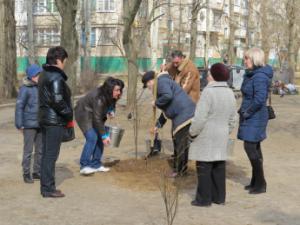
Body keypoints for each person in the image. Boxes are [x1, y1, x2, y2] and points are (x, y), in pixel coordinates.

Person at [188, 63, 236, 207]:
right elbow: (233, 118)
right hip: (222, 134)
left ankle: (204, 199)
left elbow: (200, 118)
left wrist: (192, 133)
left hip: (206, 135)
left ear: (214, 76)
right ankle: (219, 198)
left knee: (204, 166)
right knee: (219, 166)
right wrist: (226, 130)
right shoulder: (230, 92)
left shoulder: (208, 93)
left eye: (209, 74)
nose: (207, 76)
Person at [142, 71, 195, 177]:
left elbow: (168, 96)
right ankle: (180, 169)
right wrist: (158, 125)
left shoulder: (161, 82)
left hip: (184, 115)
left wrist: (156, 102)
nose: (148, 87)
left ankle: (180, 172)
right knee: (179, 142)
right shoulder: (164, 82)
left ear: (151, 81)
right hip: (184, 114)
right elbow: (166, 111)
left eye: (147, 84)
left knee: (180, 144)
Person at [38, 46, 73, 198]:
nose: (64, 64)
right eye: (64, 61)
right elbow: (58, 100)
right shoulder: (56, 76)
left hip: (45, 119)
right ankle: (48, 189)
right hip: (54, 121)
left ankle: (47, 187)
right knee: (51, 156)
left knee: (47, 154)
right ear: (58, 60)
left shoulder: (44, 74)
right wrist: (69, 113)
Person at [238, 47, 273, 194]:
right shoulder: (251, 74)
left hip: (255, 116)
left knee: (250, 147)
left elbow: (259, 99)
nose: (244, 61)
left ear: (255, 59)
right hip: (252, 115)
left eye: (247, 58)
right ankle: (256, 181)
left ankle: (260, 183)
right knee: (255, 148)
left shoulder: (259, 76)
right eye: (244, 58)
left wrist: (247, 112)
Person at [75, 77, 124, 175]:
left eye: (120, 90)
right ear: (110, 90)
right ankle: (84, 166)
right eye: (117, 90)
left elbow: (112, 103)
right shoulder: (99, 98)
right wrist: (104, 136)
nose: (119, 92)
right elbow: (97, 119)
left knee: (100, 137)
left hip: (94, 113)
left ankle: (96, 164)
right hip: (83, 113)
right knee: (92, 137)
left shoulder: (110, 95)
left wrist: (111, 110)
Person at [15, 64, 43, 183]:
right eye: (38, 74)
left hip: (41, 124)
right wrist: (19, 124)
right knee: (28, 150)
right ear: (32, 76)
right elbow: (19, 107)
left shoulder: (42, 87)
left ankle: (36, 171)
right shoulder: (25, 89)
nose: (40, 76)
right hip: (28, 125)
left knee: (40, 150)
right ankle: (26, 173)